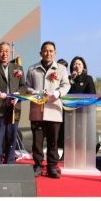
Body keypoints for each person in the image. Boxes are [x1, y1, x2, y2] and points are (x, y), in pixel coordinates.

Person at [26, 41, 70, 178]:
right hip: (37, 110)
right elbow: (26, 86)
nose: (48, 53)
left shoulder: (61, 69)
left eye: (51, 51)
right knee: (37, 141)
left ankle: (52, 166)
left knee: (53, 141)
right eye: (45, 50)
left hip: (54, 110)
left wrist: (58, 93)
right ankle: (38, 165)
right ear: (40, 53)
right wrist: (33, 92)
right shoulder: (32, 69)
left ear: (55, 53)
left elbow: (66, 85)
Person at [0, 42, 26, 165]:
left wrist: (18, 94)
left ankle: (10, 161)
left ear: (10, 52)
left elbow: (23, 86)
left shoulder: (18, 68)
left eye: (7, 51)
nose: (4, 53)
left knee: (12, 136)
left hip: (14, 107)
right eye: (1, 51)